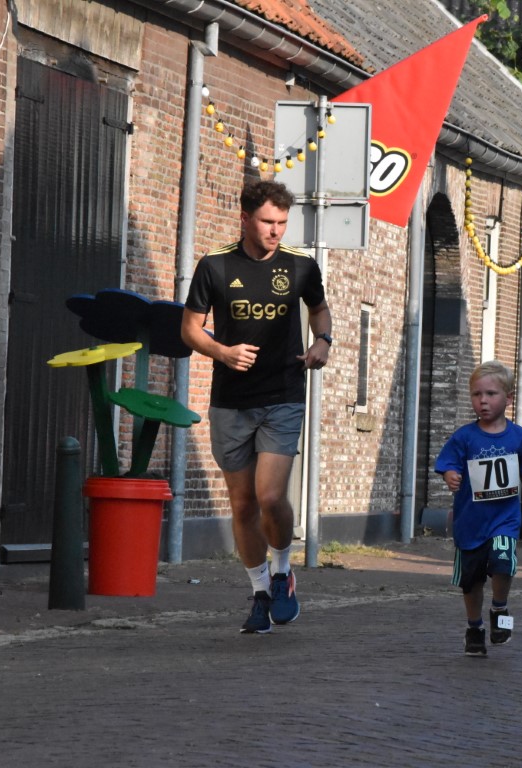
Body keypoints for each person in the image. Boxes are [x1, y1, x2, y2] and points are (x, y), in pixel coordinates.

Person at [181, 180, 333, 633]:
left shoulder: (301, 266)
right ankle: (260, 594)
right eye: (268, 222)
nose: (275, 231)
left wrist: (323, 341)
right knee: (243, 504)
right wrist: (223, 352)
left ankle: (283, 571)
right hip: (231, 401)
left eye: (282, 222)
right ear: (245, 218)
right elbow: (190, 329)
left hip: (283, 394)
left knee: (270, 496)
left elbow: (319, 310)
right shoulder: (215, 266)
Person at [435, 361, 522, 656]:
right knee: (471, 582)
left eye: (491, 394)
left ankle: (500, 610)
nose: (483, 401)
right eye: (476, 394)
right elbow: (447, 463)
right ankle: (474, 628)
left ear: (508, 398)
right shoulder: (464, 436)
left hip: (504, 519)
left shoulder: (520, 437)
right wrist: (450, 475)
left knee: (503, 564)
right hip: (470, 522)